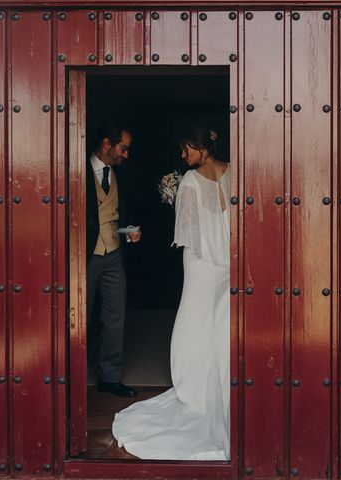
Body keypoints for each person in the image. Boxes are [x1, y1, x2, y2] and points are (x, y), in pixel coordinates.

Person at [112, 126, 230, 460]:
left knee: (192, 320)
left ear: (201, 150)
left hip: (200, 263)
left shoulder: (191, 181)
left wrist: (175, 196)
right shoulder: (235, 173)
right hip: (228, 262)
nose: (183, 156)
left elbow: (187, 233)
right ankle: (217, 381)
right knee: (219, 321)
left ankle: (193, 388)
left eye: (186, 150)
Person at [87, 119, 141, 398]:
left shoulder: (123, 173)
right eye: (123, 148)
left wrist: (130, 229)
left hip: (114, 255)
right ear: (107, 143)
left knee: (115, 317)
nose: (126, 154)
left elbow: (123, 211)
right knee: (78, 317)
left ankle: (110, 376)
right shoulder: (77, 169)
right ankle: (69, 376)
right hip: (85, 255)